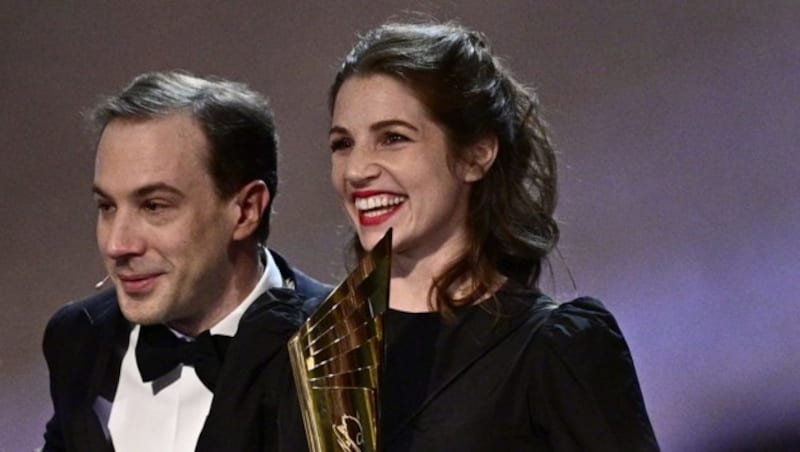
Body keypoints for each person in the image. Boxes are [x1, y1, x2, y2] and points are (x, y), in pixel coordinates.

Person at [327, 21, 660, 451]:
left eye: (393, 138)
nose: (356, 170)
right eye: (342, 144)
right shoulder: (316, 353)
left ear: (476, 155)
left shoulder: (549, 350)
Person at [42, 70, 329, 452]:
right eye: (106, 206)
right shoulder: (78, 337)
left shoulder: (340, 346)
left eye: (154, 206)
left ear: (245, 211)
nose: (116, 244)